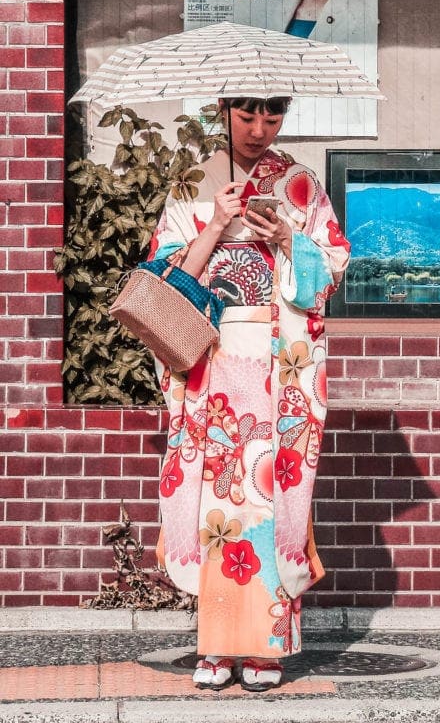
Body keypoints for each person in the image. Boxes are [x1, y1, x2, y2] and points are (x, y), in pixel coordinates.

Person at [149, 95, 350, 692]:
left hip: (275, 363)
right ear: (224, 112)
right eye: (247, 117)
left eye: (273, 117)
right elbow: (162, 275)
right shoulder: (195, 182)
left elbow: (333, 267)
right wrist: (214, 224)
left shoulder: (300, 183)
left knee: (267, 500)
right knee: (219, 502)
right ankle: (214, 645)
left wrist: (288, 236)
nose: (260, 130)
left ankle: (266, 649)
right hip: (212, 364)